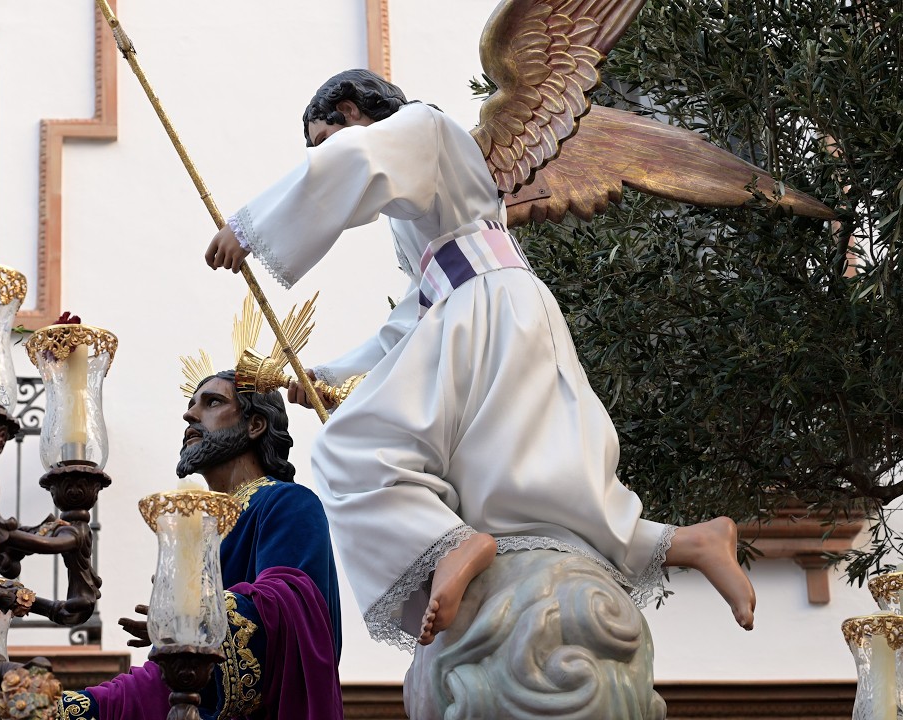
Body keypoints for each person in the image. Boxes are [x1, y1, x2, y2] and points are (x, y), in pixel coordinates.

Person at [204, 69, 755, 650]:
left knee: (352, 448)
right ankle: (689, 542)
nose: (326, 157)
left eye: (325, 139)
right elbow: (412, 314)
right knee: (520, 481)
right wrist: (330, 372)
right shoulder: (422, 210)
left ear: (348, 112)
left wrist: (249, 228)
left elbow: (355, 160)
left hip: (485, 305)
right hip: (491, 305)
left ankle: (449, 542)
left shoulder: (422, 125)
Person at [56, 370, 343, 719]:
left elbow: (289, 614)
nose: (189, 415)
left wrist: (195, 612)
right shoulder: (202, 533)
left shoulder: (289, 503)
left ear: (255, 425)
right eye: (191, 404)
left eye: (212, 402)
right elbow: (173, 683)